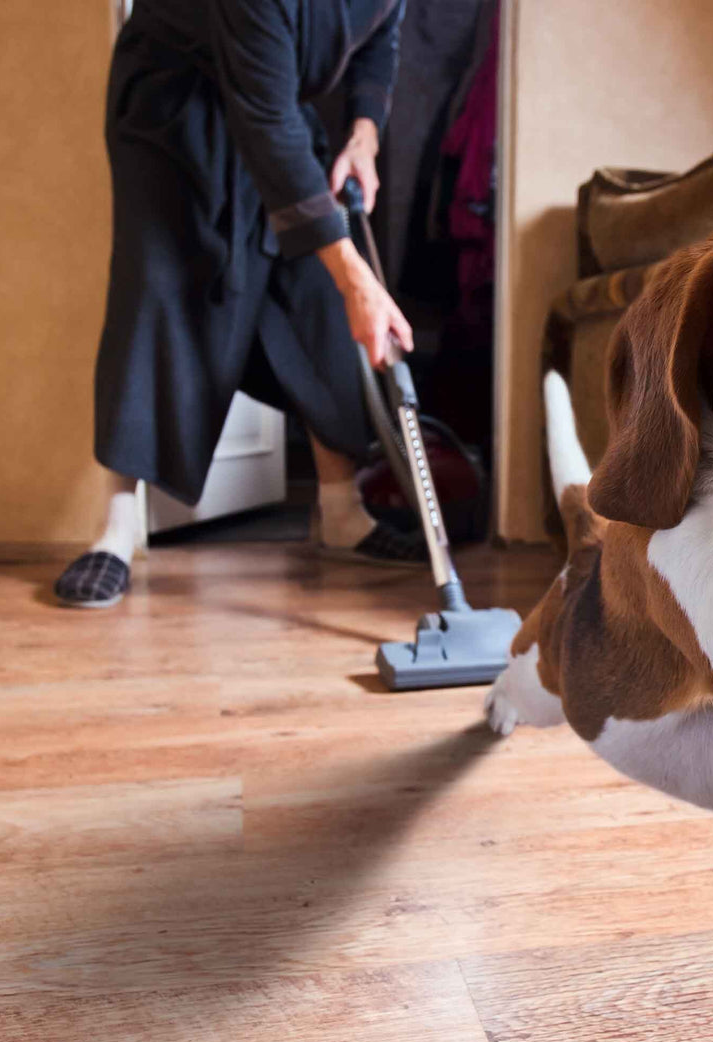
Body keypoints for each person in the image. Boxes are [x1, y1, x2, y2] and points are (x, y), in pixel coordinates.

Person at [54, 0, 421, 609]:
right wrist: (358, 281)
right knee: (159, 289)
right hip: (174, 109)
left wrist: (363, 135)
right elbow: (268, 124)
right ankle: (115, 531)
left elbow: (382, 41)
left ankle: (342, 514)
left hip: (268, 97)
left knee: (314, 291)